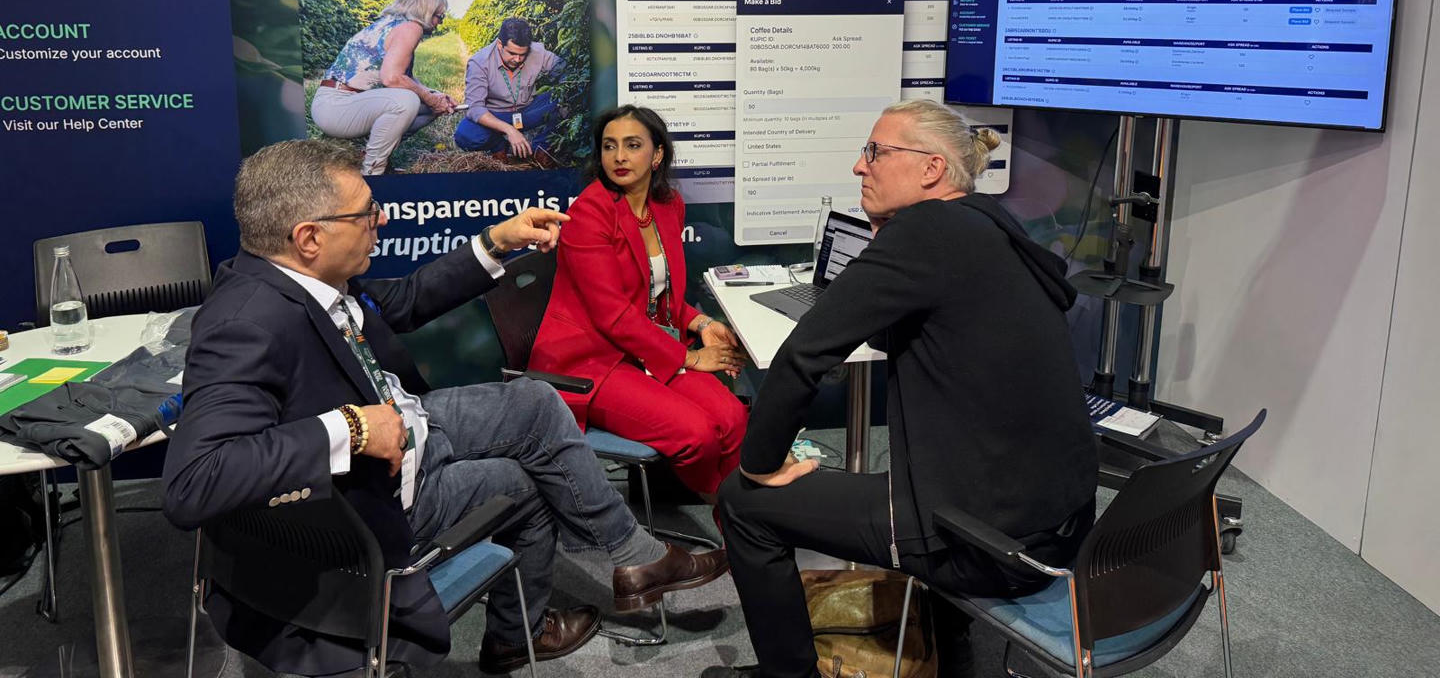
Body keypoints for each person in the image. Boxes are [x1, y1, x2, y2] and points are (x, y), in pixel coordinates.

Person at [162, 139, 728, 677]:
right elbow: (196, 481)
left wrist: (498, 241)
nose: (379, 221)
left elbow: (403, 300)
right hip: (375, 495)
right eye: (366, 213)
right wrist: (353, 427)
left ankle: (631, 557)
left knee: (534, 401)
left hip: (412, 423)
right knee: (521, 486)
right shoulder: (246, 322)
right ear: (309, 236)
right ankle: (521, 631)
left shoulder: (308, 278)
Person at [717, 101, 1099, 678]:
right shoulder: (988, 223)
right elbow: (922, 333)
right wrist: (882, 244)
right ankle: (953, 647)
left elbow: (804, 356)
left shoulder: (927, 231)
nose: (858, 167)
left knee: (742, 504)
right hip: (1053, 524)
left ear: (931, 169)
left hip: (981, 541)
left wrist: (760, 463)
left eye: (875, 152)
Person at [529, 106, 749, 504]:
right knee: (696, 434)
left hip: (644, 349)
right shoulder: (588, 214)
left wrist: (699, 323)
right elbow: (613, 315)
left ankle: (742, 524)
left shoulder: (667, 205)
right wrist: (692, 358)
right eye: (610, 146)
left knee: (733, 419)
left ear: (657, 154)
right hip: (591, 361)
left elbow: (655, 295)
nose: (619, 157)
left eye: (633, 145)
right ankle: (730, 509)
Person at [310, 0, 458, 176]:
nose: (440, 23)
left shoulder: (391, 24)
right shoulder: (411, 28)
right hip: (337, 106)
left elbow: (406, 78)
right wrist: (429, 98)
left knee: (430, 103)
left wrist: (435, 96)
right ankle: (373, 173)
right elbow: (392, 78)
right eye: (440, 16)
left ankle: (372, 152)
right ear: (427, 12)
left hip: (340, 102)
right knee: (407, 101)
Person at [454, 17, 567, 159]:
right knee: (465, 135)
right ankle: (499, 145)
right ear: (500, 45)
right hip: (497, 115)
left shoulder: (537, 52)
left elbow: (566, 71)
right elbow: (475, 108)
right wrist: (510, 130)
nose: (518, 59)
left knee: (572, 97)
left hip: (529, 111)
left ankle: (541, 148)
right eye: (512, 53)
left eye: (523, 54)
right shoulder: (480, 62)